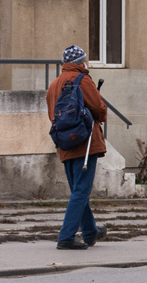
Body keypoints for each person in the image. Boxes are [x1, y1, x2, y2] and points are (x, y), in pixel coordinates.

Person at [45, 45, 109, 251]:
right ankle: (66, 236)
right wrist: (99, 116)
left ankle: (90, 232)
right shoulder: (82, 79)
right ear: (82, 62)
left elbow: (52, 115)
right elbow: (99, 108)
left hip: (64, 142)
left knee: (77, 190)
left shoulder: (54, 84)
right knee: (81, 191)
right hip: (84, 142)